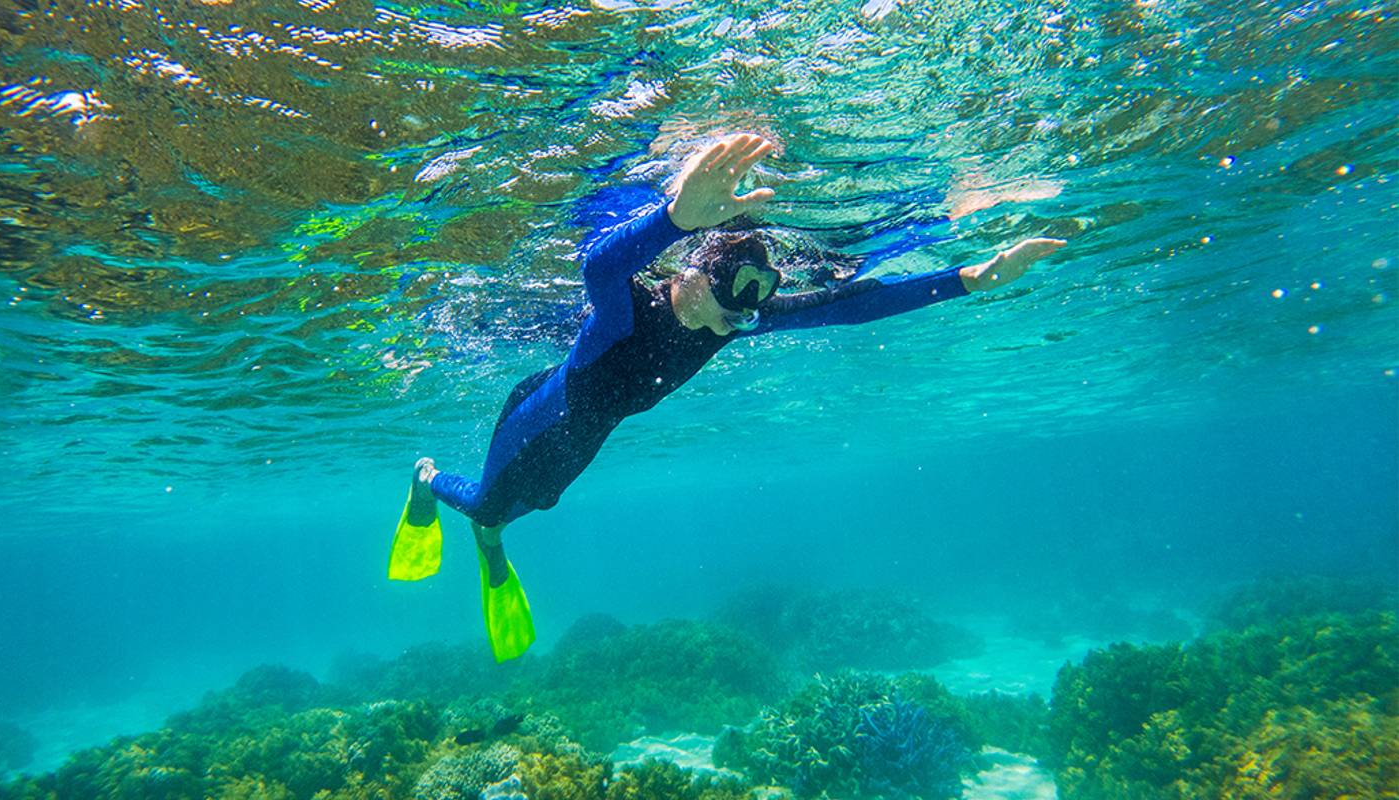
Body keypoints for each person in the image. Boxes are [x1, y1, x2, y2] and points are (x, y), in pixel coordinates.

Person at [387, 133, 1066, 661]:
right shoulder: (626, 314)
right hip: (538, 421)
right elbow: (599, 262)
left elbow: (851, 306)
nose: (737, 319)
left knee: (538, 502)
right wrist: (673, 217)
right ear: (688, 271)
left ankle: (491, 537)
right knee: (486, 503)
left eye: (753, 307)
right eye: (727, 296)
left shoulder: (731, 322)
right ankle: (426, 482)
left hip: (579, 440)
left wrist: (969, 278)